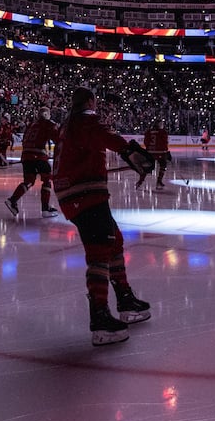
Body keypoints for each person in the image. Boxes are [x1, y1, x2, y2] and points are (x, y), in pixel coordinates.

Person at [52, 87, 152, 346]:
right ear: (89, 101)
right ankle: (100, 317)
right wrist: (132, 152)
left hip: (74, 194)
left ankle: (124, 297)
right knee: (99, 250)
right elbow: (105, 135)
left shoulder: (68, 125)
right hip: (85, 193)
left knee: (114, 241)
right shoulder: (85, 119)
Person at [3, 107, 58, 218]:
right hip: (39, 155)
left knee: (29, 181)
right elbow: (58, 138)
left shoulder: (31, 125)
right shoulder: (48, 123)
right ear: (46, 114)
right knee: (47, 180)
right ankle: (45, 209)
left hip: (26, 155)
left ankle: (12, 200)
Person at [142, 119, 171, 190]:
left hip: (150, 152)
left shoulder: (148, 131)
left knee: (147, 167)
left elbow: (145, 142)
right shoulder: (163, 132)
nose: (162, 125)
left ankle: (140, 181)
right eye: (161, 124)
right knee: (163, 166)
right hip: (160, 152)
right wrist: (166, 152)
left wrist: (149, 149)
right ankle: (159, 182)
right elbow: (164, 142)